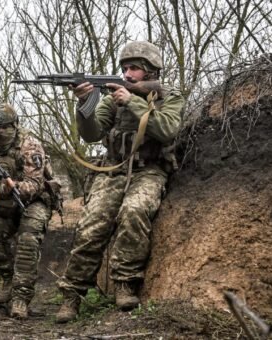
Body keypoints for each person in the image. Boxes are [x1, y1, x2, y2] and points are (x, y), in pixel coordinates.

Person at [54, 41, 185, 323]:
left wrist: (134, 102)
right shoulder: (112, 98)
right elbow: (90, 135)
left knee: (134, 212)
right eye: (124, 68)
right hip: (113, 170)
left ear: (150, 71)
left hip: (149, 170)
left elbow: (167, 129)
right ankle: (72, 295)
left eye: (134, 69)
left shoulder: (169, 96)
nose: (127, 74)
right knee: (92, 225)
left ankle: (125, 285)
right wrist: (83, 104)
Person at [0, 102, 59, 319]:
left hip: (34, 202)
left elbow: (35, 183)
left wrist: (14, 187)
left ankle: (20, 298)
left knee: (27, 239)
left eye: (5, 127)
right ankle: (8, 279)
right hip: (6, 206)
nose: (0, 132)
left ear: (15, 124)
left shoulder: (30, 145)